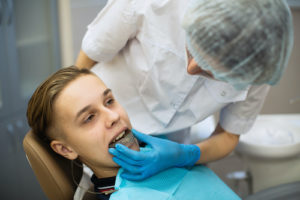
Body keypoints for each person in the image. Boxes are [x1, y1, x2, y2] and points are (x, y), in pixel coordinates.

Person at [76, 0, 294, 181]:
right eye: (192, 51)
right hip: (98, 129)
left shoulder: (258, 63)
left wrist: (183, 155)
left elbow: (229, 135)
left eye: (211, 73)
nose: (191, 69)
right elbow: (89, 56)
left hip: (173, 141)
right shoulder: (155, 4)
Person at [26, 66, 241, 200]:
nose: (113, 116)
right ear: (65, 149)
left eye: (109, 101)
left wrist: (185, 154)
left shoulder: (162, 152)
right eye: (89, 118)